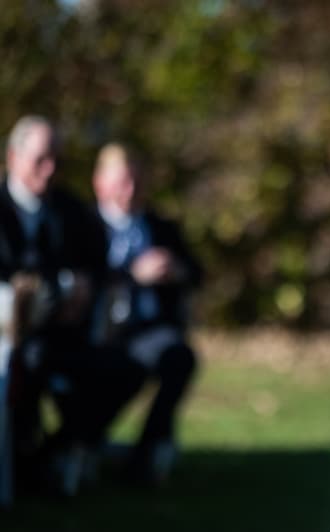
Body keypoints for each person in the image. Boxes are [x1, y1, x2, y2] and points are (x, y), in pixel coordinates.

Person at [0, 115, 108, 496]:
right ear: (13, 157)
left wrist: (84, 287)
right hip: (9, 341)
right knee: (28, 366)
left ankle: (58, 454)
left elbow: (96, 265)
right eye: (40, 159)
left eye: (57, 161)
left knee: (110, 369)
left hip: (64, 334)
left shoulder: (70, 210)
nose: (50, 170)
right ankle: (23, 461)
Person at [89, 142, 201, 485]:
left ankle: (147, 451)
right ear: (99, 182)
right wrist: (132, 277)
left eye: (136, 181)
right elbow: (83, 277)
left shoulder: (159, 225)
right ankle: (77, 442)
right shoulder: (85, 225)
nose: (131, 190)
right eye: (122, 181)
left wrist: (175, 270)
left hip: (151, 331)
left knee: (177, 356)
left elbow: (197, 272)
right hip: (97, 332)